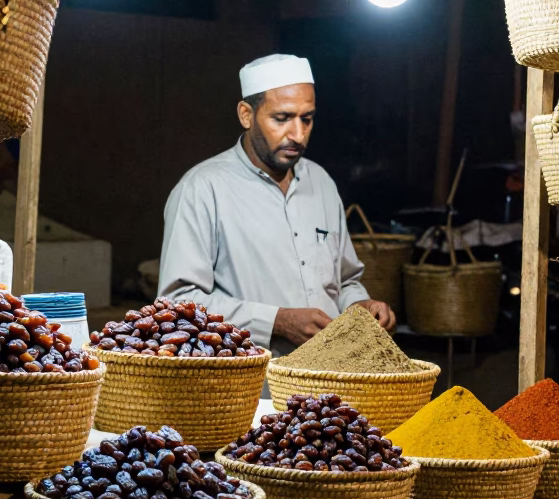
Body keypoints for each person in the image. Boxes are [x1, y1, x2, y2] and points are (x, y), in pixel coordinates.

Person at [158, 53, 395, 353]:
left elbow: (345, 282)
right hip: (251, 385)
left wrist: (361, 305)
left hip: (329, 378)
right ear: (246, 114)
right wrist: (276, 321)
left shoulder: (321, 183)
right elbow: (178, 303)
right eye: (281, 118)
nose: (297, 134)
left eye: (306, 119)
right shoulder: (202, 189)